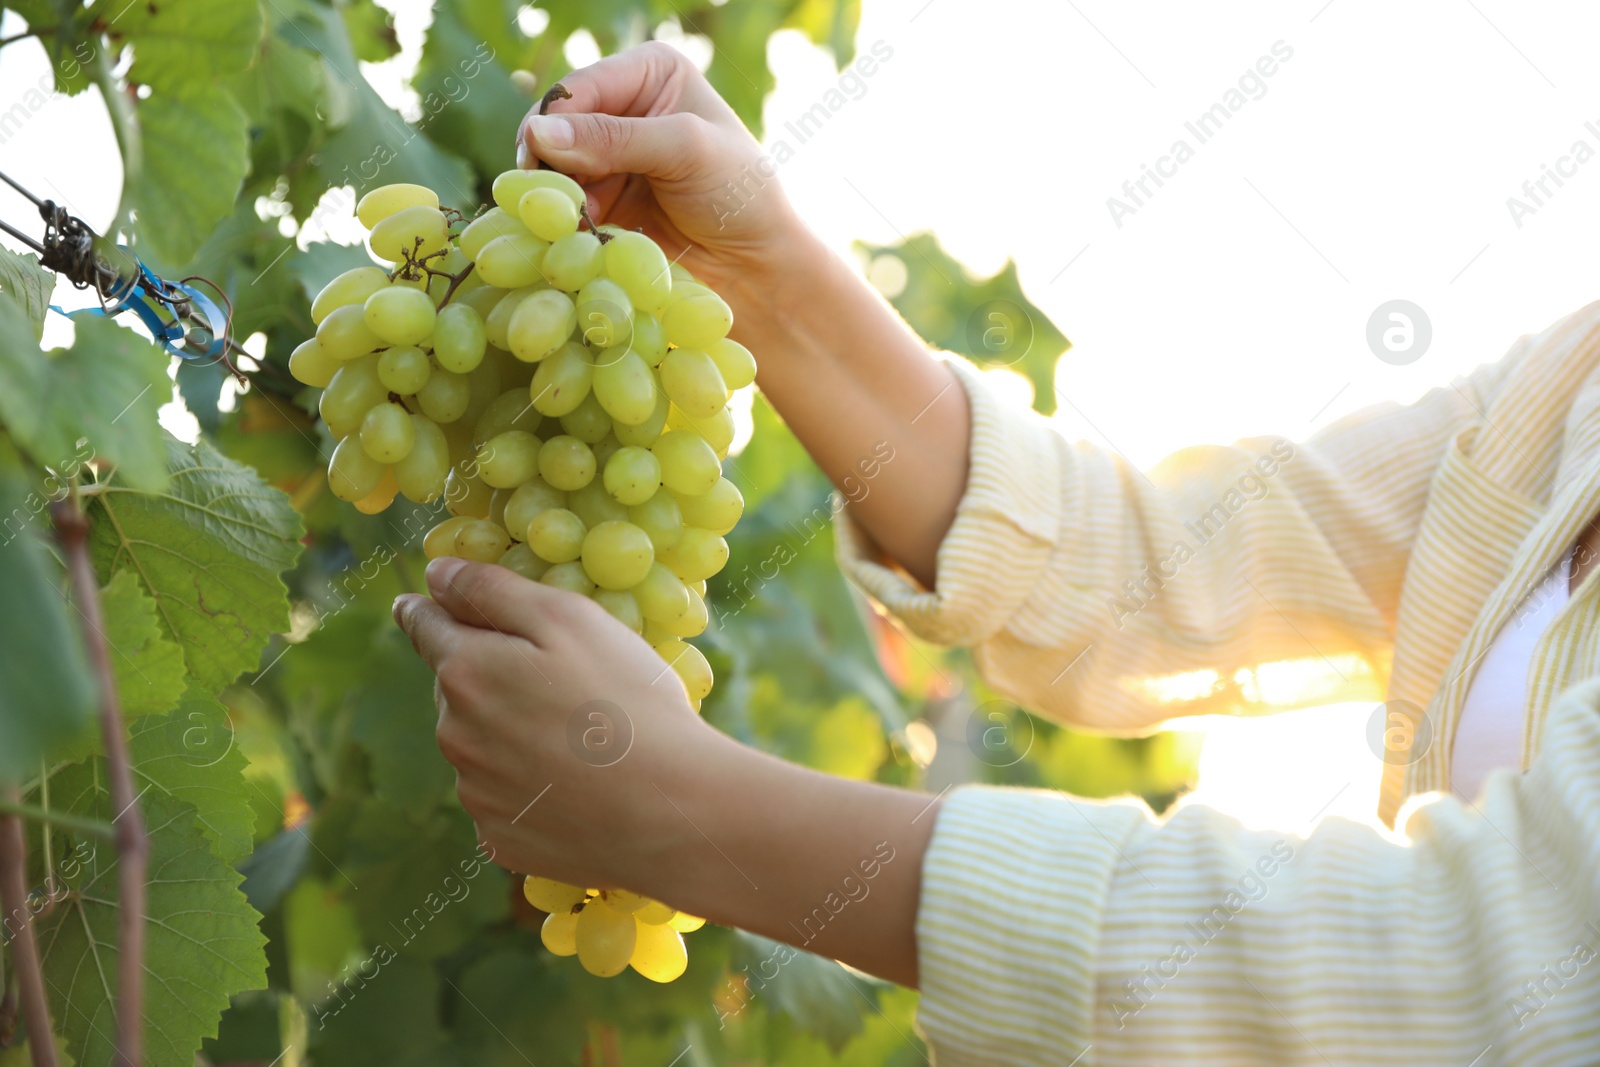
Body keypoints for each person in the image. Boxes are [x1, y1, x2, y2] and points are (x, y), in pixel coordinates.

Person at [392, 41, 1600, 1066]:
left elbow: (1476, 966)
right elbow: (1159, 565)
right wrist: (760, 269)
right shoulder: (1572, 388)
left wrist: (688, 811)